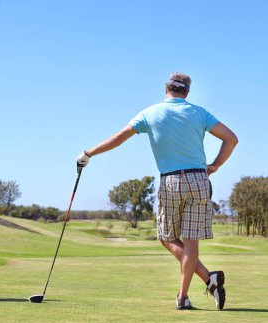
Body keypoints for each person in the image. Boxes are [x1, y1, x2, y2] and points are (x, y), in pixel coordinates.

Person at [76, 72, 238, 310]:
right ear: (187, 92)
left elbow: (117, 138)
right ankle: (193, 291)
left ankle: (196, 287)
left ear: (166, 89)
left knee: (167, 238)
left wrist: (88, 154)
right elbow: (231, 139)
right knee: (191, 241)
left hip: (171, 181)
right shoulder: (199, 112)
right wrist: (214, 166)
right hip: (198, 179)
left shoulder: (149, 113)